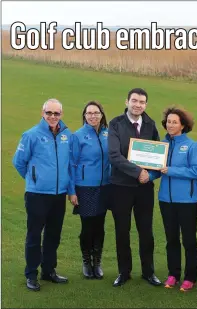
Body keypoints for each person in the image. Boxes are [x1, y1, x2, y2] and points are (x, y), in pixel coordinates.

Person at [13, 98, 72, 291]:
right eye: (49, 113)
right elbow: (19, 162)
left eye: (56, 113)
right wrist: (33, 179)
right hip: (37, 195)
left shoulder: (66, 135)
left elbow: (68, 165)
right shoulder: (31, 135)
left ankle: (49, 271)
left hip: (58, 195)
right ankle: (31, 274)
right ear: (42, 113)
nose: (52, 117)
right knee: (34, 236)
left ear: (61, 114)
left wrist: (68, 189)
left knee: (53, 236)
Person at [108, 88, 162, 287]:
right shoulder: (115, 124)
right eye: (134, 101)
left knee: (146, 230)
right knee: (122, 230)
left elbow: (157, 154)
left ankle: (148, 272)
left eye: (142, 102)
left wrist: (149, 174)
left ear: (145, 104)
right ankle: (124, 272)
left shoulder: (150, 124)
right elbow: (114, 156)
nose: (138, 105)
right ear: (127, 101)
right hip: (120, 186)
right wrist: (137, 171)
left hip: (143, 188)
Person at [148, 107, 197, 292]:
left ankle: (190, 276)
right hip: (166, 200)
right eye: (168, 122)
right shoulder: (162, 144)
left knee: (188, 240)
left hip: (187, 201)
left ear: (183, 125)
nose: (170, 125)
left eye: (174, 122)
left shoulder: (191, 145)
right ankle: (173, 274)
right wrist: (145, 175)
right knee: (171, 239)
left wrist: (171, 170)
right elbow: (157, 169)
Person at [69, 101, 111, 280]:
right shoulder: (77, 136)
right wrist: (71, 191)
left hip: (104, 187)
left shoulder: (108, 134)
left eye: (96, 113)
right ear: (84, 116)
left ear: (102, 114)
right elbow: (71, 165)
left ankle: (97, 262)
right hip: (84, 187)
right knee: (87, 227)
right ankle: (86, 261)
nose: (93, 116)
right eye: (89, 113)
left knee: (100, 226)